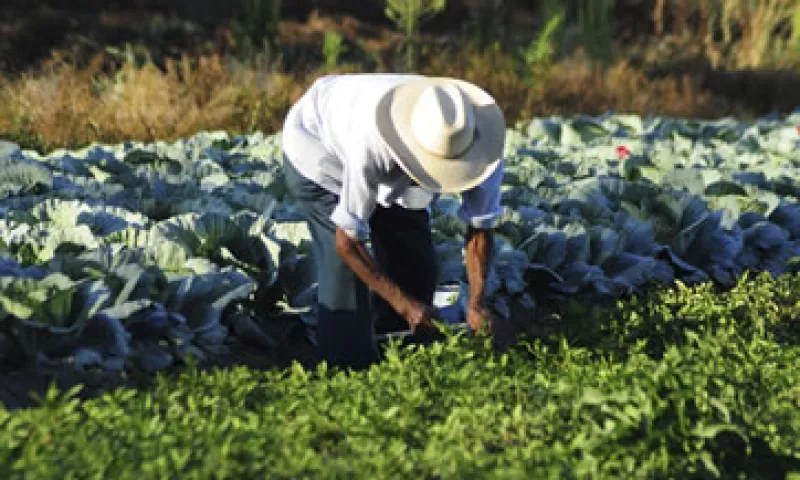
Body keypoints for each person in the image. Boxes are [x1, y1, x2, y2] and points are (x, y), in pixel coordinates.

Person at [281, 73, 506, 370]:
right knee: (344, 278)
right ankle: (347, 371)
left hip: (389, 152)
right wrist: (406, 306)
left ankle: (402, 356)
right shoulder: (368, 144)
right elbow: (347, 243)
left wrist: (477, 302)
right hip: (318, 148)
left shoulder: (479, 145)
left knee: (414, 259)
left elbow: (480, 227)